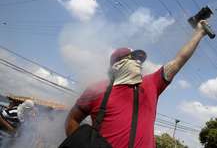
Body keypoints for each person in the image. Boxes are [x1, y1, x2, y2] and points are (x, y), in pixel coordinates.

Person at [65, 20, 208, 147]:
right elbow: (72, 119)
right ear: (117, 64)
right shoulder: (96, 89)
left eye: (140, 59)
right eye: (133, 58)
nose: (139, 62)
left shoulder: (151, 84)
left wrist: (199, 32)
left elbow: (178, 60)